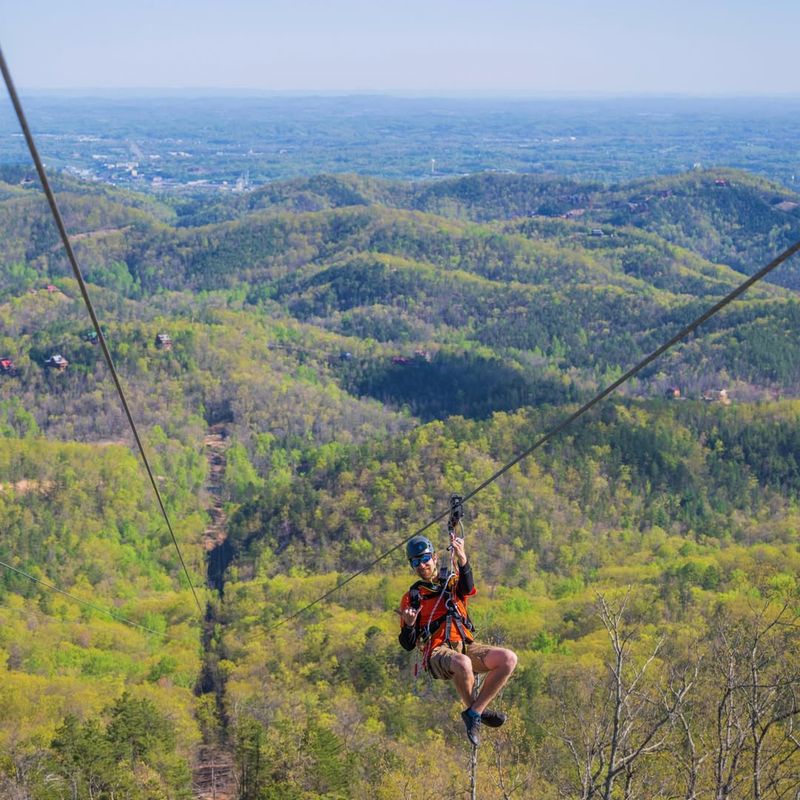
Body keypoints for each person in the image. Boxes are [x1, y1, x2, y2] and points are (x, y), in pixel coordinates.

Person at [397, 533, 517, 746]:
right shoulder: (412, 597)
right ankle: (476, 713)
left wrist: (462, 558)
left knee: (508, 659)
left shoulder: (451, 583)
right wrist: (408, 624)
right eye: (416, 562)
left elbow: (468, 587)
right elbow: (408, 644)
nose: (422, 565)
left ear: (434, 558)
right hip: (436, 651)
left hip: (464, 645)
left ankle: (475, 712)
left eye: (425, 559)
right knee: (463, 663)